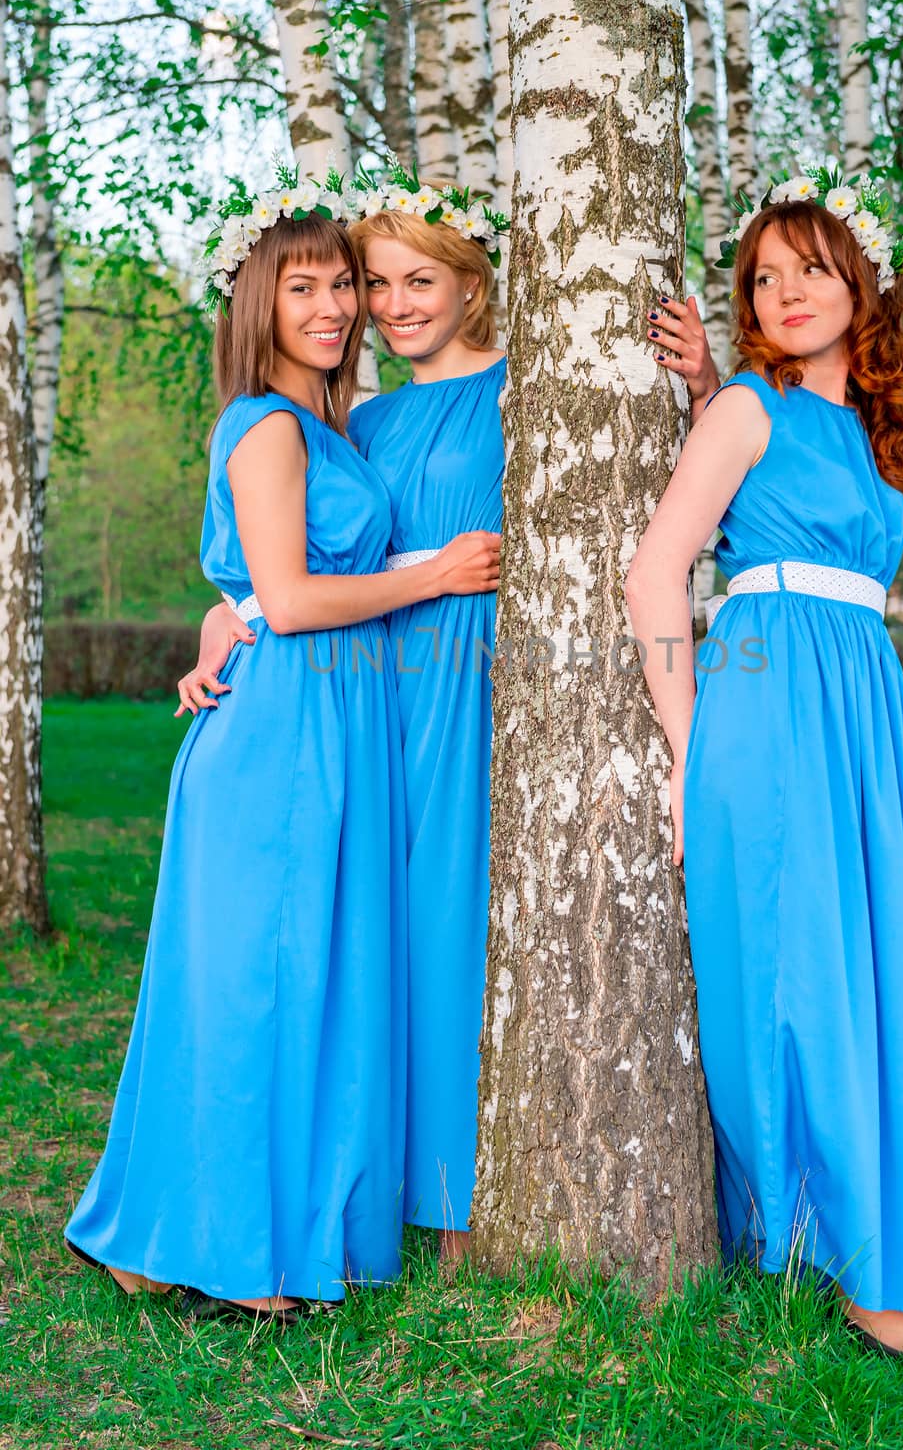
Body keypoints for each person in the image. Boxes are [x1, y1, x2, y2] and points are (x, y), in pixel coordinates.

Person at [66, 172, 499, 1321]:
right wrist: (434, 573)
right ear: (257, 302)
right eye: (302, 287)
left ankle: (210, 1234)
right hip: (281, 725)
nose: (335, 307)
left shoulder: (334, 426)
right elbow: (294, 596)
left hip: (337, 714)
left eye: (341, 285)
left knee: (300, 978)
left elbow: (259, 588)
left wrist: (230, 616)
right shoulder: (264, 422)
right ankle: (183, 1239)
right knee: (253, 979)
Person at [626, 165, 903, 1372]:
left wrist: (701, 395)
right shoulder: (747, 405)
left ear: (860, 283)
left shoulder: (868, 427)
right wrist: (691, 753)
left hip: (865, 708)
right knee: (802, 980)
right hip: (768, 700)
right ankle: (846, 1267)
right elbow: (654, 578)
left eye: (812, 269)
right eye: (764, 278)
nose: (787, 292)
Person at [179, 160, 508, 1264]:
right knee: (360, 942)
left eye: (416, 280)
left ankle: (452, 1193)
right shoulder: (347, 417)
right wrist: (232, 621)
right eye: (373, 283)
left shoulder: (520, 389)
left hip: (457, 678)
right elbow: (288, 567)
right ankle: (365, 1193)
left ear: (472, 282)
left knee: (444, 923)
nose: (378, 305)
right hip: (355, 685)